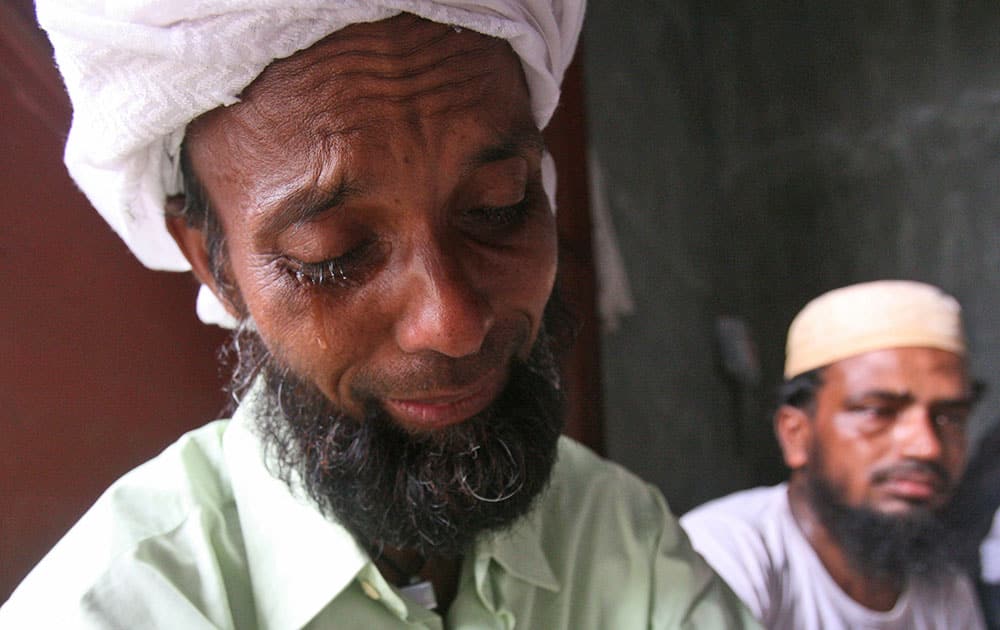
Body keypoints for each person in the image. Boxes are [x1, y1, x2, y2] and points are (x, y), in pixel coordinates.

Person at [1, 1, 758, 628]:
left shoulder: (618, 534)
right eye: (328, 252)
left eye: (498, 208)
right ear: (212, 264)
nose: (451, 321)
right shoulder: (112, 606)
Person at [681, 280, 986, 629]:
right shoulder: (724, 554)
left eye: (950, 418)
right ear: (796, 435)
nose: (927, 446)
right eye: (877, 411)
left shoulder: (945, 588)